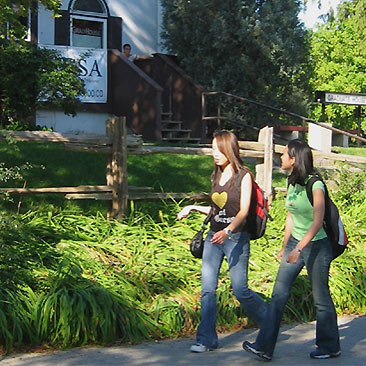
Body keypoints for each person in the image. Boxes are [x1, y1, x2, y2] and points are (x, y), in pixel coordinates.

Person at [242, 139, 341, 361]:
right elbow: (290, 216)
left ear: (295, 159)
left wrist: (298, 248)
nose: (281, 158)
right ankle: (264, 347)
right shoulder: (292, 181)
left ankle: (329, 346)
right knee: (278, 294)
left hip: (317, 246)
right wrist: (285, 246)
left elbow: (317, 222)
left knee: (321, 298)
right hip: (295, 244)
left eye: (285, 155)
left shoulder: (315, 185)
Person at [177, 130, 268, 353]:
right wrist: (192, 207)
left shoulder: (244, 175)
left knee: (240, 290)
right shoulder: (215, 175)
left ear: (229, 149)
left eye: (218, 149)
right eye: (212, 149)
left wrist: (227, 231)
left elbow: (244, 211)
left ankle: (270, 320)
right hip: (213, 237)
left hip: (236, 238)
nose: (214, 154)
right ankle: (206, 339)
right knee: (208, 289)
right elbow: (217, 208)